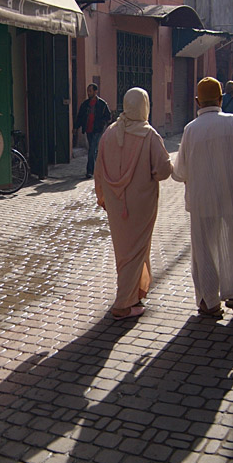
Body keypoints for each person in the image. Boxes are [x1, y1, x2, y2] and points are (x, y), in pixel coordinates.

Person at [172, 77, 233, 319]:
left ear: (196, 101)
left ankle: (210, 302)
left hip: (203, 199)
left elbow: (180, 172)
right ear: (221, 99)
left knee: (205, 249)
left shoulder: (191, 129)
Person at [94, 87, 172, 319]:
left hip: (116, 206)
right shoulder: (148, 135)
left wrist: (103, 197)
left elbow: (98, 170)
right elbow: (164, 170)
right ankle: (123, 303)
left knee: (124, 251)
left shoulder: (109, 133)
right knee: (136, 250)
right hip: (142, 205)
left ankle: (135, 294)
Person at [74, 83, 111, 178]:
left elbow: (108, 116)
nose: (88, 93)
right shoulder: (85, 104)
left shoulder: (102, 104)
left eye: (90, 91)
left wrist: (102, 123)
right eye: (88, 91)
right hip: (88, 129)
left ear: (95, 91)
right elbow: (80, 116)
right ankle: (99, 169)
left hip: (97, 130)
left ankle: (89, 171)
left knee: (91, 150)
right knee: (94, 150)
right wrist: (76, 127)